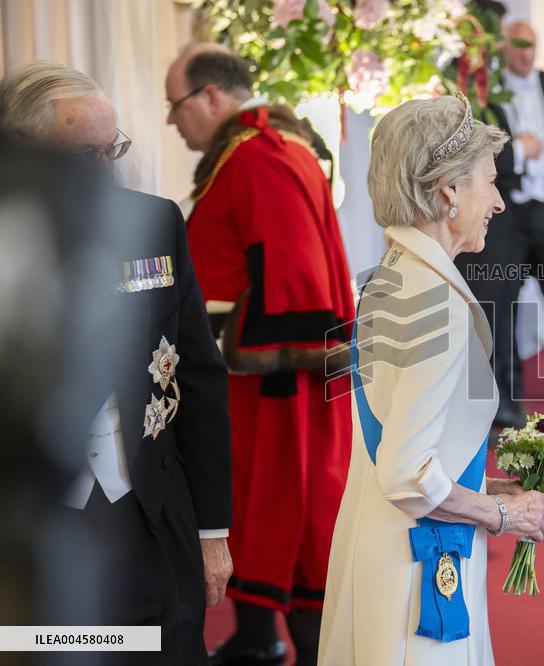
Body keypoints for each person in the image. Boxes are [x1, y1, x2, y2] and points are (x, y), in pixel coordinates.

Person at [318, 94, 544, 666]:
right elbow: (409, 476)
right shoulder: (437, 302)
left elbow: (404, 434)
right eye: (490, 182)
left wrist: (485, 486)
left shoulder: (394, 275)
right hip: (414, 566)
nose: (500, 202)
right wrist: (504, 515)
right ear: (448, 191)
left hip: (377, 539)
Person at [0, 61, 232, 664]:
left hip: (150, 513)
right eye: (84, 155)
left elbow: (200, 377)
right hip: (35, 531)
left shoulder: (152, 223)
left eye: (114, 149)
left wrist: (212, 532)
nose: (106, 171)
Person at [164, 44, 355, 665]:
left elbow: (294, 273)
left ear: (211, 96)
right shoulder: (260, 148)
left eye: (175, 105)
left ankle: (301, 648)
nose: (172, 121)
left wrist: (277, 361)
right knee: (260, 503)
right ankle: (256, 637)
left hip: (273, 378)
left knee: (286, 509)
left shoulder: (260, 154)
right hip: (256, 369)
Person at [454, 19, 544, 428]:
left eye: (532, 44)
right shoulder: (485, 91)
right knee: (500, 301)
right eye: (518, 45)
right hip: (504, 213)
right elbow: (480, 153)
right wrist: (521, 154)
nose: (526, 53)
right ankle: (506, 396)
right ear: (503, 48)